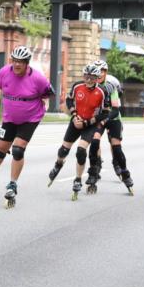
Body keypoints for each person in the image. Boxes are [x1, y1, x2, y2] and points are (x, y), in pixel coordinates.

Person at [0, 45, 55, 208]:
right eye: (15, 61)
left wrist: (35, 103)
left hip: (30, 118)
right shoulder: (4, 72)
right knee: (0, 149)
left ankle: (12, 184)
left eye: (21, 62)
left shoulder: (37, 78)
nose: (17, 65)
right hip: (9, 117)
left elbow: (49, 93)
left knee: (18, 150)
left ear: (27, 63)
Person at [47, 63, 109, 199]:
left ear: (98, 78)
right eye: (86, 77)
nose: (89, 80)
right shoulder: (77, 86)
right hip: (76, 121)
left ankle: (78, 179)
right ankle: (58, 164)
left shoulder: (102, 91)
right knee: (63, 150)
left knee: (81, 151)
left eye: (92, 78)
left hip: (90, 124)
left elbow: (105, 113)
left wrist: (87, 122)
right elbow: (69, 101)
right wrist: (75, 116)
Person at [92, 60, 134, 194]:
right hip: (99, 118)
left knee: (116, 146)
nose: (99, 74)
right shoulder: (90, 86)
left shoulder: (112, 86)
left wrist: (106, 119)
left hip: (113, 117)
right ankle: (96, 166)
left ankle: (123, 169)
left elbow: (115, 108)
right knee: (94, 141)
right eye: (97, 71)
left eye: (102, 71)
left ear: (106, 72)